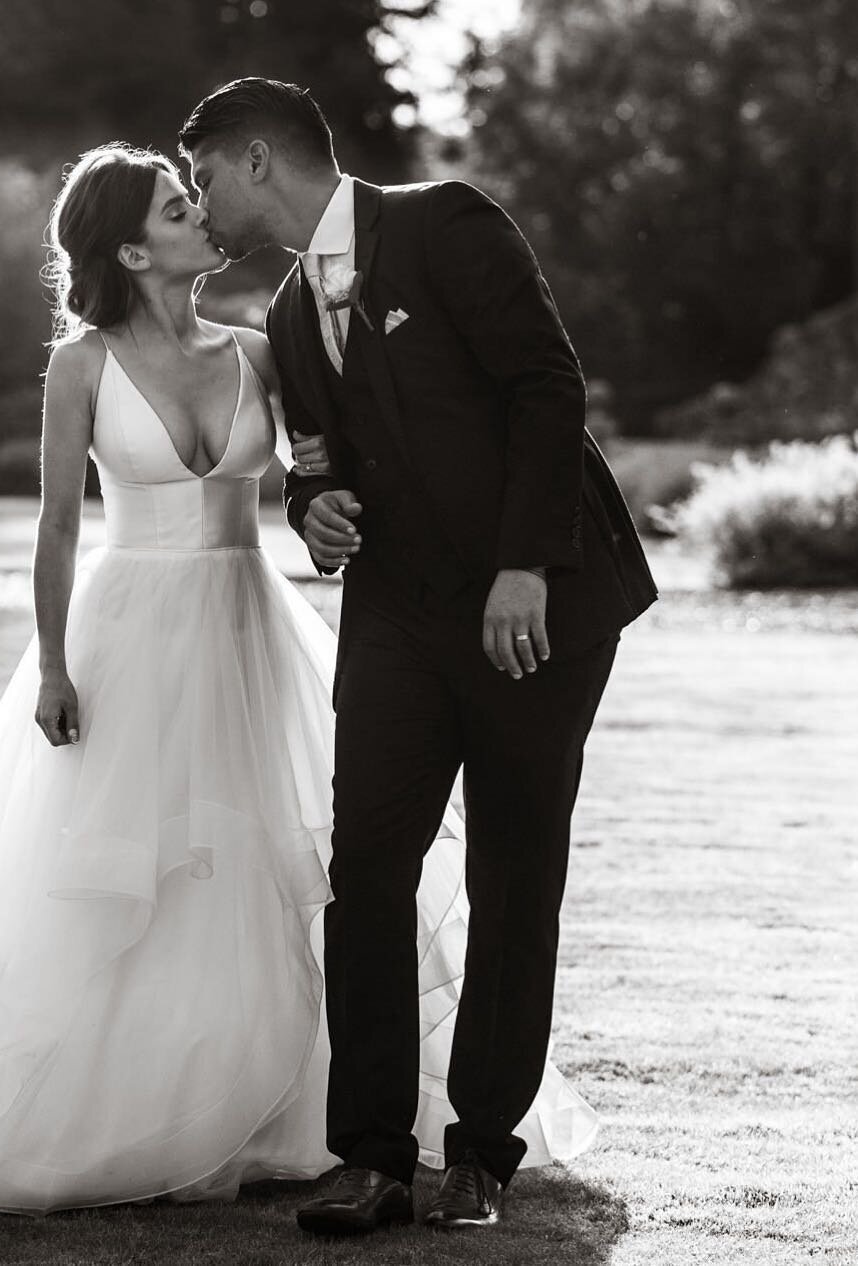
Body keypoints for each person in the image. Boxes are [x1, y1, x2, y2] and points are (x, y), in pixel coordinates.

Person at [0, 143, 598, 1218]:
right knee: (122, 872)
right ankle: (108, 1105)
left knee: (257, 864)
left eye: (197, 196)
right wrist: (52, 663)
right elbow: (56, 526)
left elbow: (313, 467)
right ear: (133, 248)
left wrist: (321, 507)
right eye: (177, 208)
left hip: (245, 627)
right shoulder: (80, 366)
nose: (202, 215)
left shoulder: (262, 347)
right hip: (126, 632)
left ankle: (278, 1105)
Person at [180, 79, 658, 1237]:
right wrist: (317, 511)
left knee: (512, 872)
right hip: (396, 618)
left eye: (201, 180)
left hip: (534, 606)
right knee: (368, 872)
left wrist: (525, 568)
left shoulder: (446, 222)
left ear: (255, 161)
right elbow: (313, 458)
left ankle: (481, 1156)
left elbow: (549, 384)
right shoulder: (292, 312)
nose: (199, 205)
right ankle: (371, 1159)